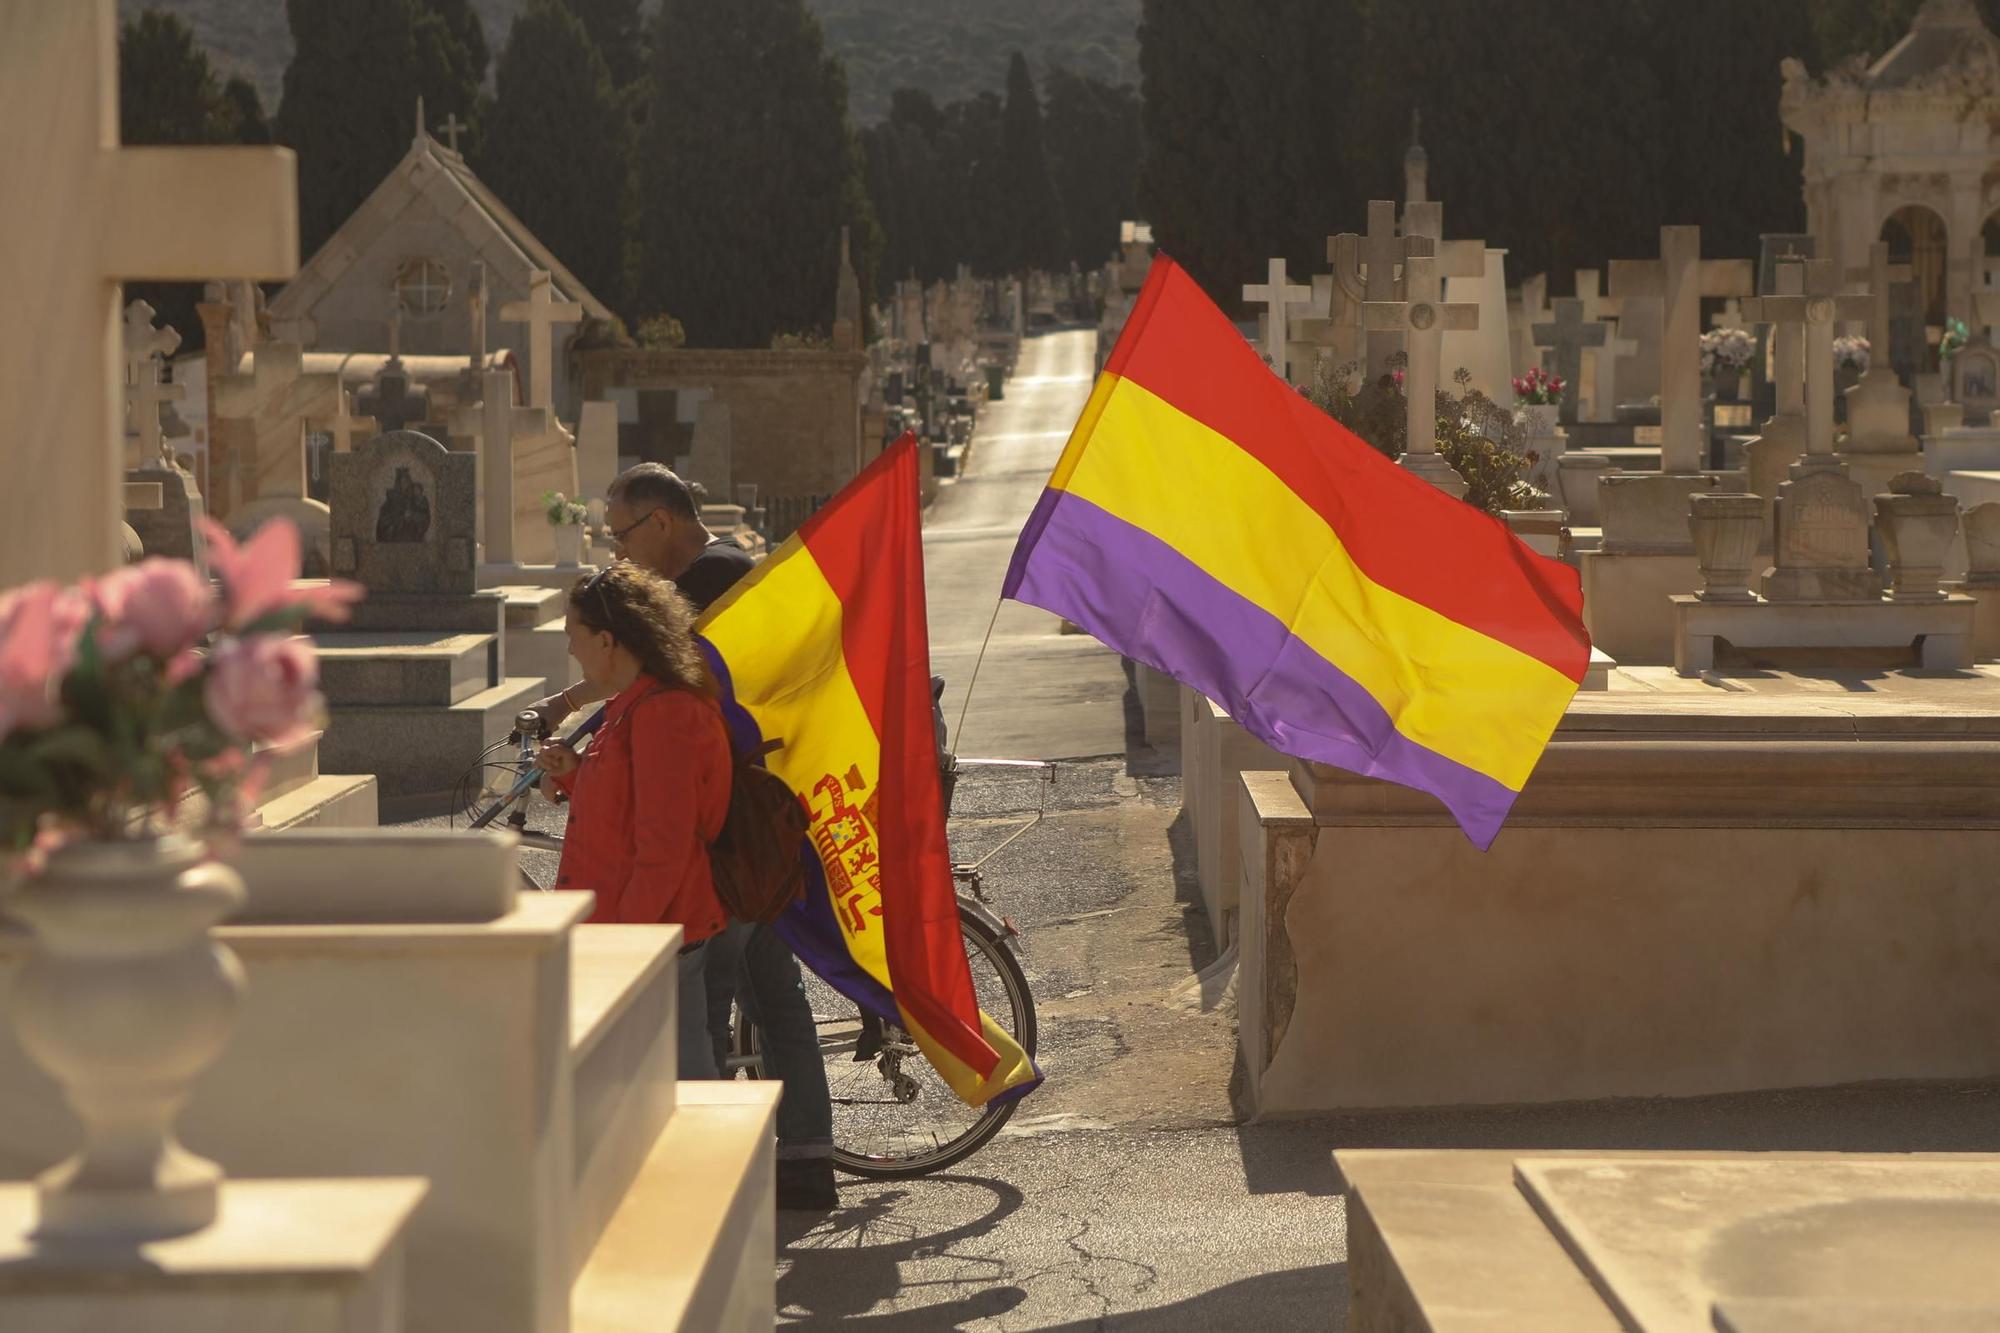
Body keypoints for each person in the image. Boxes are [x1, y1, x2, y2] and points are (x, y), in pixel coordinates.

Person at [528, 464, 839, 1212]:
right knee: (763, 1006)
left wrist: (627, 941)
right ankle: (796, 1161)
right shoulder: (647, 696)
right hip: (725, 859)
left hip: (716, 870)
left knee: (703, 1034)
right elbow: (635, 793)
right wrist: (576, 767)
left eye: (622, 534)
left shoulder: (680, 674)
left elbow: (664, 834)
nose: (619, 549)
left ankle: (723, 1196)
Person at [535, 563, 730, 1083]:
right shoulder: (636, 702)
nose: (571, 650)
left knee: (678, 1091)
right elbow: (629, 806)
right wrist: (577, 774)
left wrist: (624, 947)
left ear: (605, 640)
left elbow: (664, 848)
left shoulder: (665, 712)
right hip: (636, 929)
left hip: (650, 936)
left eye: (572, 635)